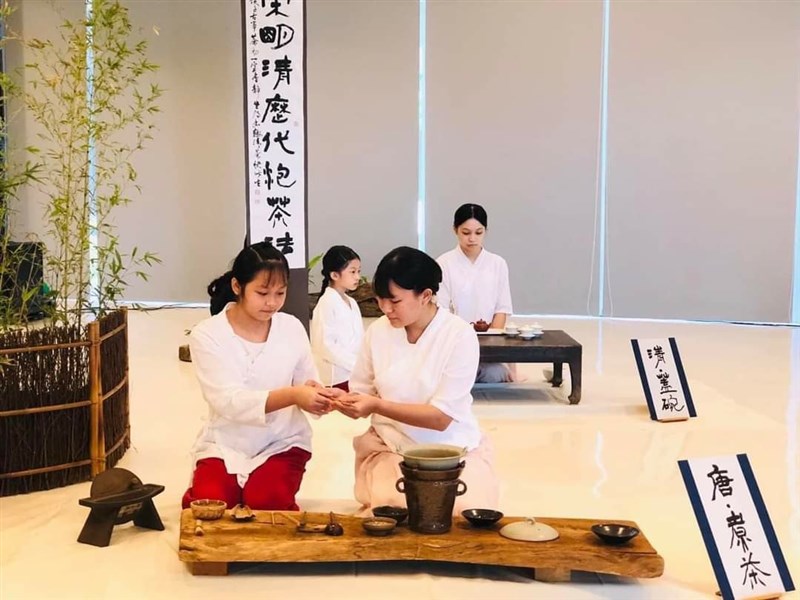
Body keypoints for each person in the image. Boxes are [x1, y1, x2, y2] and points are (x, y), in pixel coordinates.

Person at [335, 246, 499, 514]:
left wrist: (376, 405)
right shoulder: (377, 332)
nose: (385, 309)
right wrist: (338, 400)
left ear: (425, 296)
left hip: (452, 448)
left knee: (462, 513)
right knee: (394, 510)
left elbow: (441, 418)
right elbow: (362, 395)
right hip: (391, 445)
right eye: (380, 300)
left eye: (395, 301)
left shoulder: (459, 335)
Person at [181, 242, 339, 511]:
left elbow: (306, 382)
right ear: (237, 286)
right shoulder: (208, 334)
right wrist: (294, 395)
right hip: (225, 442)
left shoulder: (291, 327)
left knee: (267, 504)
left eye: (280, 293)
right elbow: (228, 401)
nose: (272, 303)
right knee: (210, 508)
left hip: (283, 441)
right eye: (262, 293)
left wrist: (320, 397)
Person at [436, 203, 515, 383]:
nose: (472, 239)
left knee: (493, 373)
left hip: (489, 342)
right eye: (466, 233)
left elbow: (502, 309)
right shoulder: (443, 263)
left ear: (486, 231)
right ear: (455, 230)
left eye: (478, 233)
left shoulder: (498, 263)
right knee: (452, 375)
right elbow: (441, 311)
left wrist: (492, 343)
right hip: (454, 343)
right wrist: (462, 343)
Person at [310, 245, 364, 391]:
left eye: (358, 271)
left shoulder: (352, 302)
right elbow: (325, 346)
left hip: (354, 373)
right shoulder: (326, 303)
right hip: (337, 377)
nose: (357, 277)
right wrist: (355, 364)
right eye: (352, 272)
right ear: (334, 275)